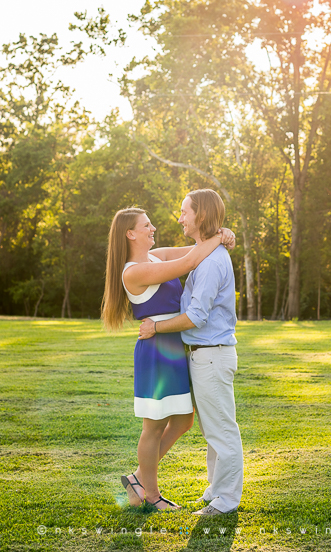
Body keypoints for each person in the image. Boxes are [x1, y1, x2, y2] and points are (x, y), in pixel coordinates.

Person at [101, 206, 235, 511]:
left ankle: (137, 477)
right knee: (154, 426)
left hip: (175, 345)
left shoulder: (156, 255)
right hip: (157, 349)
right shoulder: (133, 270)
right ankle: (151, 493)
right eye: (146, 225)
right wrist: (220, 237)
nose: (153, 228)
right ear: (130, 233)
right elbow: (190, 261)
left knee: (183, 420)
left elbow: (196, 247)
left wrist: (224, 234)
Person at [138, 189, 243, 516]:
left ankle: (226, 501)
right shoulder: (204, 254)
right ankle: (216, 490)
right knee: (213, 429)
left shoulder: (211, 263)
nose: (180, 217)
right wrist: (223, 236)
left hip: (212, 353)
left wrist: (156, 327)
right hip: (203, 354)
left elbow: (196, 316)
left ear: (201, 215)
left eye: (185, 211)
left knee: (222, 429)